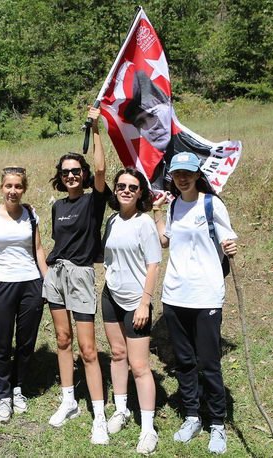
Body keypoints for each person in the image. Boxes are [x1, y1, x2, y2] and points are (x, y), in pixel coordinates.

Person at [152, 151, 238, 455]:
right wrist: (158, 213)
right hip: (175, 294)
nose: (183, 178)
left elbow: (230, 241)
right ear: (173, 177)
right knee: (185, 362)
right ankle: (192, 416)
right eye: (177, 174)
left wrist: (230, 246)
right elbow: (166, 241)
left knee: (209, 362)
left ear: (198, 174)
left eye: (188, 173)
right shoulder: (175, 205)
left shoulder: (212, 204)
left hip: (206, 294)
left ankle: (217, 423)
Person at [43, 106, 111, 444]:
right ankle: (69, 400)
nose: (72, 176)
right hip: (55, 276)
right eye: (66, 171)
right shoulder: (57, 206)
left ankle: (98, 414)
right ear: (60, 175)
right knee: (63, 340)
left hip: (81, 276)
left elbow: (101, 166)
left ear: (83, 174)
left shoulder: (93, 200)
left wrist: (95, 128)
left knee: (87, 348)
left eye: (76, 171)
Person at [0, 166, 48, 424]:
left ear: (24, 189)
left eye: (18, 186)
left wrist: (46, 280)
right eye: (9, 186)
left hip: (31, 284)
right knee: (2, 343)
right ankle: (3, 395)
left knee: (26, 342)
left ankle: (18, 388)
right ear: (1, 188)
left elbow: (38, 249)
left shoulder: (30, 214)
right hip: (2, 285)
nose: (13, 191)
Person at [101, 168, 162, 455]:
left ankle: (148, 428)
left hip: (136, 301)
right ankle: (122, 410)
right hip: (110, 295)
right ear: (115, 190)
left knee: (139, 366)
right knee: (117, 355)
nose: (126, 190)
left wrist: (144, 302)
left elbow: (153, 265)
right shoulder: (112, 221)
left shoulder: (145, 223)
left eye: (132, 187)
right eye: (121, 185)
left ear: (141, 193)